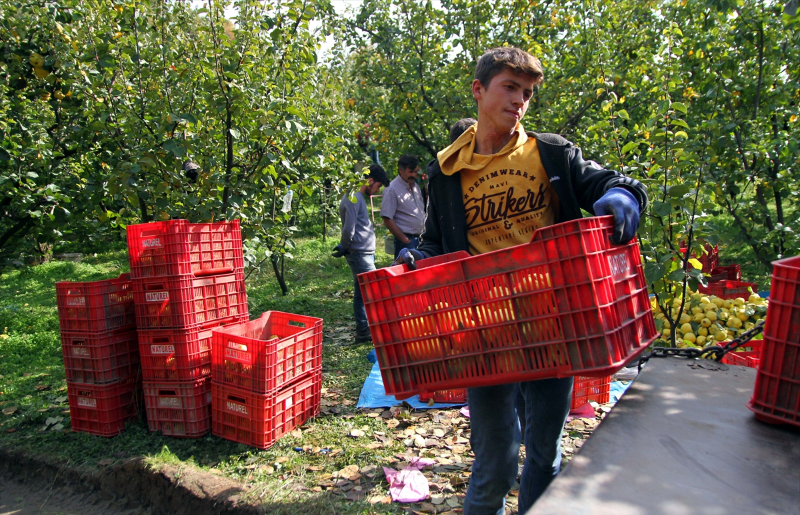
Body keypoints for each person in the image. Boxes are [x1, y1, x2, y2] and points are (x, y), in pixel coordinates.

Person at [396, 47, 648, 514]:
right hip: (486, 332)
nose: (519, 101)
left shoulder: (550, 153)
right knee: (494, 461)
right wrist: (414, 257)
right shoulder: (447, 171)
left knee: (545, 454)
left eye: (527, 93)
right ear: (479, 90)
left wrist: (621, 195)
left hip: (553, 321)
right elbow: (437, 242)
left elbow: (608, 182)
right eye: (509, 87)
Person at [333, 164, 390, 344]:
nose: (377, 190)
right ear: (370, 180)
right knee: (374, 290)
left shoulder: (357, 197)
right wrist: (344, 246)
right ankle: (374, 331)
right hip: (359, 254)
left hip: (363, 252)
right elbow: (349, 229)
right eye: (378, 186)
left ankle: (363, 332)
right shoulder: (353, 198)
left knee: (361, 293)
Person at [380, 154, 426, 260]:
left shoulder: (415, 186)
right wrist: (404, 239)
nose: (413, 175)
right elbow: (387, 219)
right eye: (410, 172)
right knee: (408, 273)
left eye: (415, 172)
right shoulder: (392, 189)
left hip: (421, 238)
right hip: (407, 240)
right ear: (401, 170)